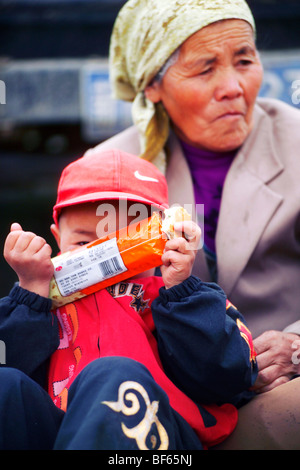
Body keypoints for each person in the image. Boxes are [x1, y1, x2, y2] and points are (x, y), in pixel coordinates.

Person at [84, 0, 300, 398]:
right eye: (205, 68)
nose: (234, 87)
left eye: (245, 61)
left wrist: (297, 345)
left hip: (287, 384)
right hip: (168, 395)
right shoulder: (106, 171)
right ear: (153, 84)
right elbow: (89, 308)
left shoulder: (296, 142)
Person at [0, 149, 257, 450]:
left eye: (127, 243)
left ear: (165, 236)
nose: (100, 257)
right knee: (6, 385)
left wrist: (181, 294)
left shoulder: (183, 297)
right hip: (56, 432)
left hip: (158, 434)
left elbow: (229, 376)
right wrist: (30, 295)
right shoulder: (39, 299)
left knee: (113, 373)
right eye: (84, 243)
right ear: (57, 237)